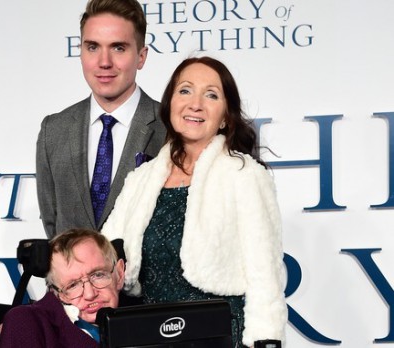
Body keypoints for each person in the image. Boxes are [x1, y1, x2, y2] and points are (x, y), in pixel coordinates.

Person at [101, 56, 287, 347]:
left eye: (211, 95)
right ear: (170, 103)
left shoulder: (244, 175)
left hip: (218, 336)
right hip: (147, 334)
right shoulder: (141, 179)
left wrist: (266, 340)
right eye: (185, 90)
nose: (195, 103)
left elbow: (265, 274)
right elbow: (104, 255)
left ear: (226, 115)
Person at [36, 0, 166, 238]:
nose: (104, 62)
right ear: (81, 51)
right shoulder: (53, 130)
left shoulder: (170, 129)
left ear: (141, 56)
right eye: (93, 47)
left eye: (118, 48)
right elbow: (53, 228)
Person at [0, 229, 125, 348]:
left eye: (98, 275)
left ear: (119, 274)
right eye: (73, 285)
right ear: (57, 293)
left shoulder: (141, 324)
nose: (89, 294)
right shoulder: (25, 322)